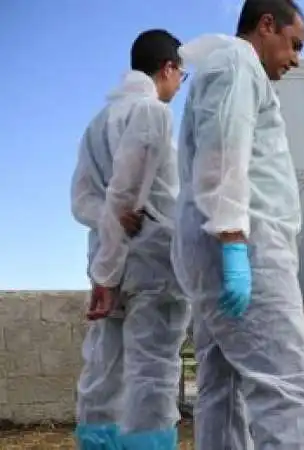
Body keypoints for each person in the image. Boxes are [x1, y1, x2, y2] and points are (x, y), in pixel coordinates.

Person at [170, 1, 304, 448]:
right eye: (294, 45)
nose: (296, 58)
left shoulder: (225, 68)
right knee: (287, 386)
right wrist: (235, 240)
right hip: (245, 247)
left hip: (219, 248)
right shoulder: (238, 63)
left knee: (222, 387)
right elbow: (225, 148)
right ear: (266, 25)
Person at [70, 29, 189, 449]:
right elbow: (129, 195)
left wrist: (105, 263)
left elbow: (82, 200)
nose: (180, 85)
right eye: (182, 76)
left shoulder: (98, 123)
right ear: (168, 68)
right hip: (152, 264)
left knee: (106, 366)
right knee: (153, 373)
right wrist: (116, 233)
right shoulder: (153, 113)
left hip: (109, 263)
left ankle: (97, 442)